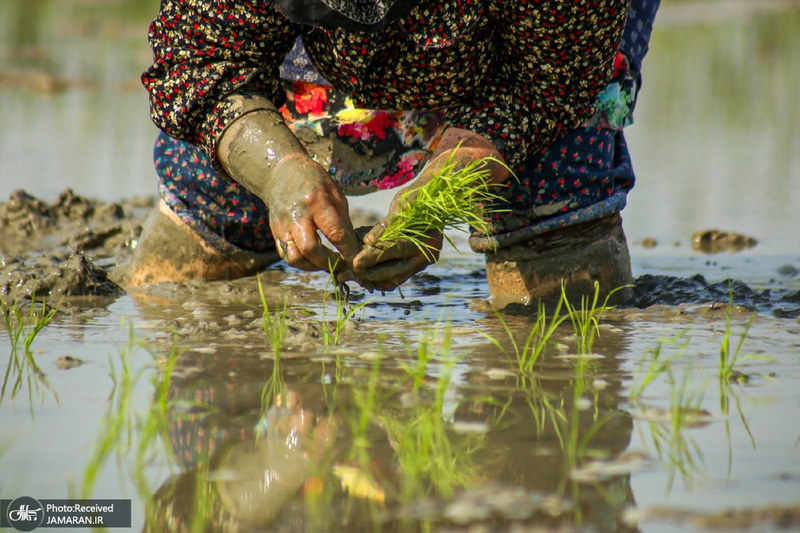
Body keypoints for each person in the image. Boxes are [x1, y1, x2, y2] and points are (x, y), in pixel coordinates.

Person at [131, 0, 660, 303]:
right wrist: (283, 171)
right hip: (308, 54)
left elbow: (548, 82)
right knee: (190, 261)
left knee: (560, 247)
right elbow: (206, 64)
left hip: (527, 51)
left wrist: (444, 188)